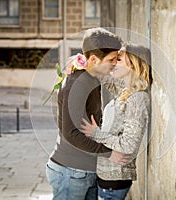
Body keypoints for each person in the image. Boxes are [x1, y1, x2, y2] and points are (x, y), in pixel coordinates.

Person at [46, 28, 131, 200]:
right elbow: (71, 133)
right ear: (93, 59)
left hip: (85, 170)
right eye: (111, 59)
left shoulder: (91, 76)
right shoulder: (76, 84)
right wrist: (109, 153)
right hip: (71, 173)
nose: (115, 63)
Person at [80, 43, 152, 200]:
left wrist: (96, 134)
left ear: (132, 64)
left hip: (115, 180)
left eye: (118, 60)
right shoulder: (127, 91)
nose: (113, 63)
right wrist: (85, 63)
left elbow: (129, 145)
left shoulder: (138, 99)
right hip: (106, 176)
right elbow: (106, 78)